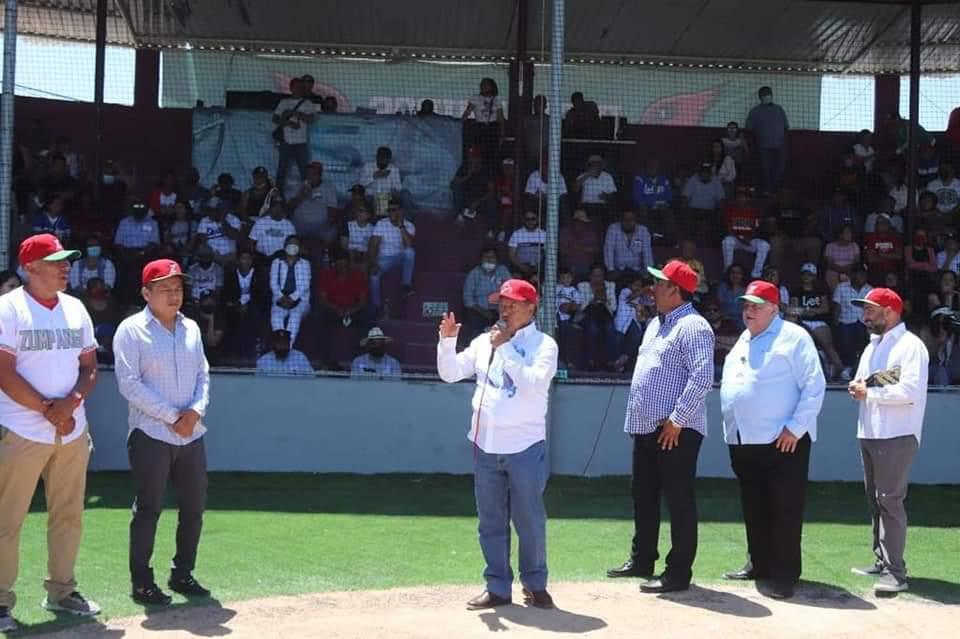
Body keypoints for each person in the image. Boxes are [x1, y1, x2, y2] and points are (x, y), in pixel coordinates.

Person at [437, 279, 559, 610]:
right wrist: (447, 342)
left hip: (525, 447)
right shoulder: (482, 342)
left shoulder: (544, 346)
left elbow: (532, 384)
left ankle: (535, 584)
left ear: (531, 308)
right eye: (501, 303)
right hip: (485, 446)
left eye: (513, 304)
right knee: (490, 521)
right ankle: (498, 587)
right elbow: (449, 373)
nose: (505, 309)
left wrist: (504, 346)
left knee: (529, 520)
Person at [0, 235, 100, 633]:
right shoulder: (8, 309)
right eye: (55, 261)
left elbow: (90, 366)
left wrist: (70, 404)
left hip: (72, 432)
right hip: (23, 431)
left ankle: (61, 590)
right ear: (31, 267)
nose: (65, 267)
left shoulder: (75, 309)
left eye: (66, 260)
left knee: (68, 515)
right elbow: (4, 373)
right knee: (8, 520)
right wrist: (48, 410)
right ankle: (1, 599)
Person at [607, 260, 714, 594]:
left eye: (660, 284)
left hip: (676, 431)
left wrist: (677, 421)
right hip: (648, 428)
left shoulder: (695, 327)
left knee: (679, 501)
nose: (652, 289)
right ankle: (642, 559)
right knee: (644, 495)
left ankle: (678, 573)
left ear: (676, 291)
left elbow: (702, 378)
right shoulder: (656, 323)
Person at [113, 259, 211, 606]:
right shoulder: (130, 330)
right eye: (166, 288)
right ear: (146, 292)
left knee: (194, 508)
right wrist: (173, 416)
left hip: (192, 434)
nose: (174, 295)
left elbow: (203, 374)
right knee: (149, 508)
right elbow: (129, 384)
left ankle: (182, 574)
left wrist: (196, 411)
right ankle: (142, 582)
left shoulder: (192, 329)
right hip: (151, 433)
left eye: (179, 288)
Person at [720, 280, 825, 600]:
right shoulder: (743, 339)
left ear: (773, 308)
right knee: (754, 507)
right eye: (746, 304)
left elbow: (814, 385)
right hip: (744, 439)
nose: (748, 310)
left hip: (784, 440)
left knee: (784, 509)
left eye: (755, 305)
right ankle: (759, 563)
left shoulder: (794, 338)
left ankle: (784, 575)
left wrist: (795, 427)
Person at [848, 288, 929, 593]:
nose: (865, 315)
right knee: (876, 500)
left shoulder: (911, 346)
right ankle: (883, 561)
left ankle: (896, 572)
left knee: (890, 501)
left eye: (871, 309)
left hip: (897, 433)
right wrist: (858, 387)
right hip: (870, 431)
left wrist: (868, 392)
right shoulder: (873, 346)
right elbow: (863, 381)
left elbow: (910, 391)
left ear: (891, 311)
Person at [368, 201, 416, 308]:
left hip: (400, 258)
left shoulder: (409, 225)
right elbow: (372, 245)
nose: (391, 213)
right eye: (389, 210)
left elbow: (408, 244)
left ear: (400, 211)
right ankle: (376, 305)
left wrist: (401, 226)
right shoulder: (382, 223)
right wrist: (373, 263)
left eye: (394, 210)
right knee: (374, 276)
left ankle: (406, 285)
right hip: (384, 258)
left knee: (410, 252)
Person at [273, 77, 317, 191]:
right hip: (285, 142)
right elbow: (275, 118)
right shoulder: (284, 102)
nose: (298, 89)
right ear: (291, 88)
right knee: (281, 170)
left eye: (300, 87)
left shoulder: (308, 103)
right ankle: (278, 194)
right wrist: (289, 123)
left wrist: (295, 113)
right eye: (296, 87)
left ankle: (307, 193)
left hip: (301, 143)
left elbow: (311, 119)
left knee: (304, 171)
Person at [269, 235, 311, 346]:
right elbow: (273, 283)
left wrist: (292, 299)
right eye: (290, 243)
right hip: (280, 299)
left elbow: (305, 284)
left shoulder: (305, 264)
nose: (292, 246)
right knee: (276, 316)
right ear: (284, 247)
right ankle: (279, 344)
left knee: (295, 316)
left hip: (300, 300)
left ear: (300, 248)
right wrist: (282, 298)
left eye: (295, 243)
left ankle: (287, 348)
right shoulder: (276, 262)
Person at [746, 86, 789, 194]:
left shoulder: (779, 109)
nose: (766, 96)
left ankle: (776, 191)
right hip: (763, 147)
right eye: (764, 94)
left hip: (780, 146)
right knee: (765, 170)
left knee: (779, 170)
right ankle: (767, 191)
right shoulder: (755, 111)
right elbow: (749, 128)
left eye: (768, 93)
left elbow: (786, 127)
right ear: (759, 97)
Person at [462, 247, 511, 344]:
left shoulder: (503, 271)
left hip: (500, 311)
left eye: (492, 257)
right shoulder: (474, 273)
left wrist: (502, 309)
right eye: (486, 257)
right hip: (479, 311)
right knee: (473, 322)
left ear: (497, 259)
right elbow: (467, 299)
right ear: (481, 259)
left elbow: (511, 290)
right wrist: (483, 311)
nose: (489, 260)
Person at [721, 187, 769, 278]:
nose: (741, 199)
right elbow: (729, 230)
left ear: (748, 199)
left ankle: (756, 274)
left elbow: (757, 230)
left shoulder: (754, 212)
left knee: (765, 245)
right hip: (736, 240)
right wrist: (741, 238)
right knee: (727, 241)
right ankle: (728, 271)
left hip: (750, 241)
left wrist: (749, 239)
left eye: (743, 197)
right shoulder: (731, 210)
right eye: (739, 197)